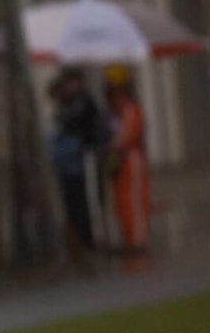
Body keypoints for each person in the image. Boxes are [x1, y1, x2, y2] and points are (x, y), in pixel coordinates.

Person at [46, 67, 107, 253]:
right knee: (72, 201)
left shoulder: (83, 104)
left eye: (70, 83)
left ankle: (90, 239)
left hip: (82, 159)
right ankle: (78, 238)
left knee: (86, 200)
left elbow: (80, 125)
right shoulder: (67, 106)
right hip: (67, 164)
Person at [104, 64, 150, 254]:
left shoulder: (131, 109)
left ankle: (138, 241)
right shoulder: (114, 111)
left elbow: (127, 136)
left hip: (131, 159)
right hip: (119, 161)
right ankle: (129, 238)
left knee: (134, 201)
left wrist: (113, 146)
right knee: (122, 202)